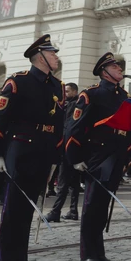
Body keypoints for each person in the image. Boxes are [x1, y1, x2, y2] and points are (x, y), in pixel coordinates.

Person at [0, 34, 65, 261]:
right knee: (13, 212)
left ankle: (19, 257)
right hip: (21, 151)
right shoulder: (18, 82)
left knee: (28, 211)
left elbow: (58, 124)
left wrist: (55, 157)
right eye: (52, 53)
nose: (56, 57)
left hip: (44, 152)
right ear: (39, 57)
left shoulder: (57, 86)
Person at [66, 51, 131, 261]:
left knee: (102, 208)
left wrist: (128, 153)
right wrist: (75, 158)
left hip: (116, 157)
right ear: (104, 72)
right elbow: (74, 129)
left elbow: (127, 127)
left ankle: (99, 254)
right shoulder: (91, 95)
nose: (119, 69)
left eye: (119, 67)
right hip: (97, 158)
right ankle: (88, 255)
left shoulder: (123, 96)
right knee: (92, 208)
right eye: (114, 67)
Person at [46, 82, 81, 222]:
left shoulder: (74, 105)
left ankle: (56, 211)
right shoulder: (67, 104)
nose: (64, 94)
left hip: (68, 147)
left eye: (67, 91)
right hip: (73, 148)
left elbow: (68, 128)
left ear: (74, 91)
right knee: (73, 183)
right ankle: (73, 210)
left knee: (63, 182)